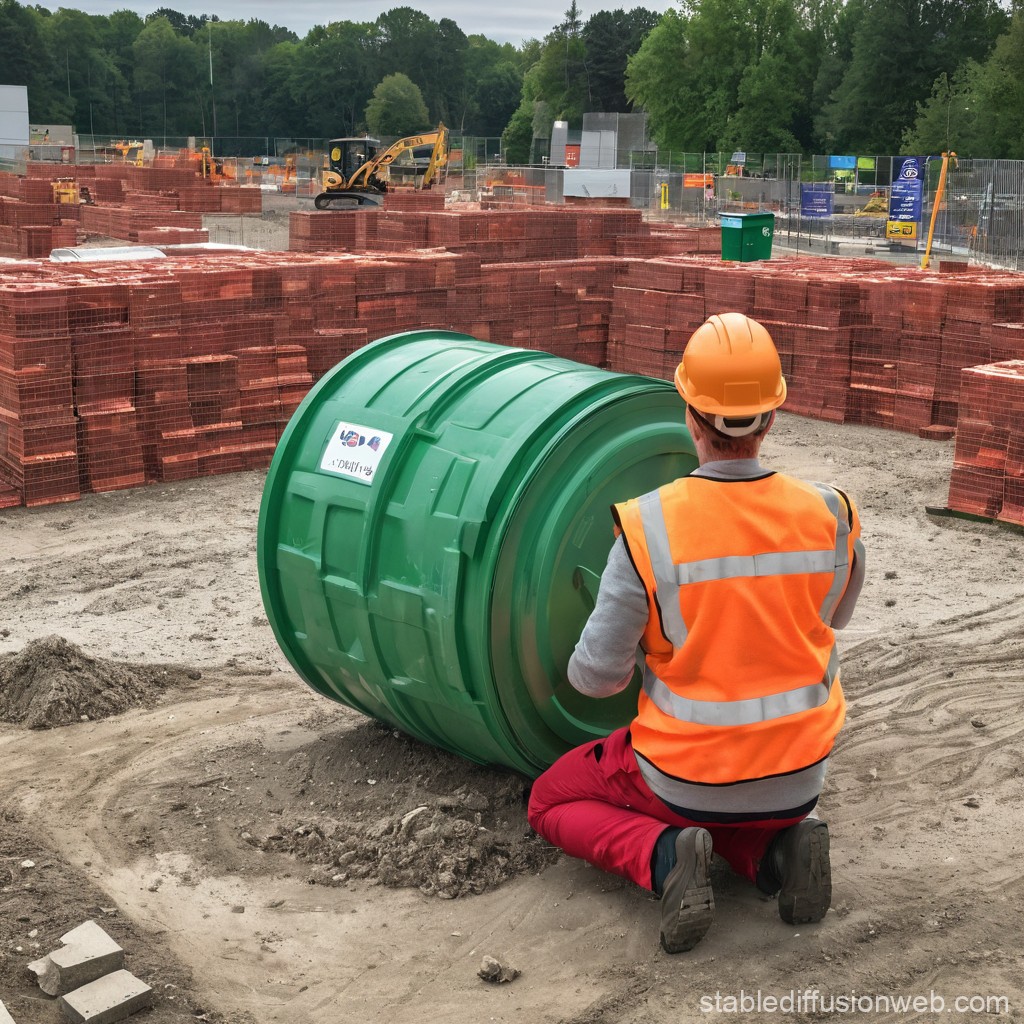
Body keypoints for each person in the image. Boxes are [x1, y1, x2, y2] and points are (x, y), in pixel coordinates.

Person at [528, 312, 865, 954]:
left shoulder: (648, 529)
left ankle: (663, 859)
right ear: (772, 416)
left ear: (689, 412)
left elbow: (595, 680)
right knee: (746, 806)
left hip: (686, 775)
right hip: (801, 773)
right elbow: (833, 616)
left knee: (549, 800)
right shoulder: (833, 513)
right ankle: (777, 852)